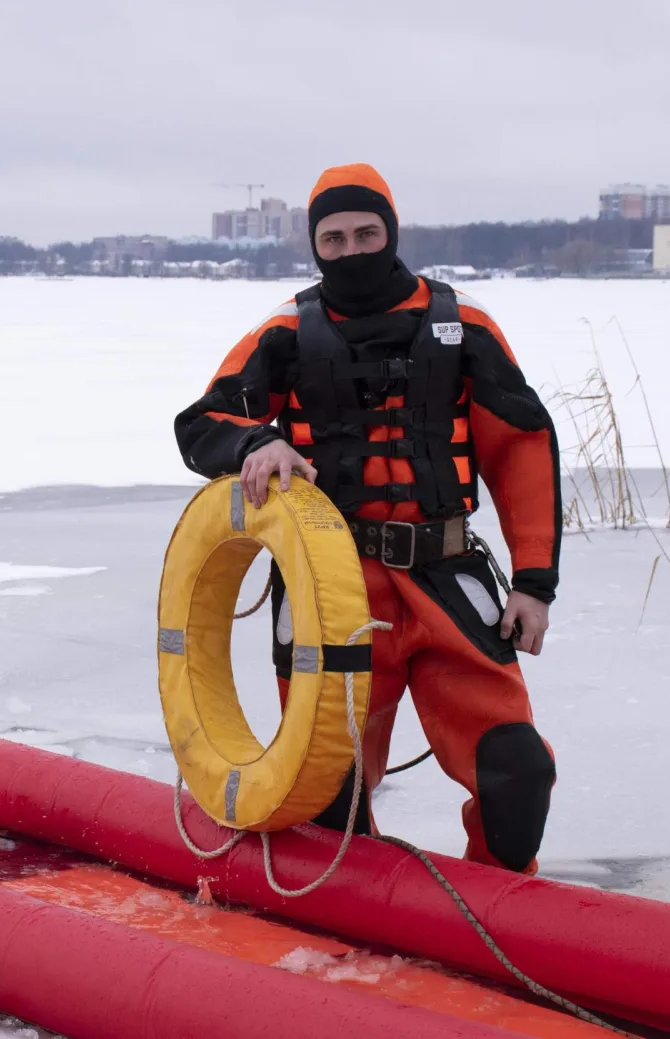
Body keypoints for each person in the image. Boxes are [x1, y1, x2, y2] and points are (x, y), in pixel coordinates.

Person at [174, 163, 561, 873]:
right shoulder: (286, 332)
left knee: (518, 771)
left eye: (365, 232)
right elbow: (203, 423)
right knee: (330, 796)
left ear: (391, 231)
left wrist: (534, 580)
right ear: (314, 245)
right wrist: (257, 442)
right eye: (334, 237)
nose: (351, 249)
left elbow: (522, 446)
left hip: (447, 577)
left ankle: (497, 918)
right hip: (333, 589)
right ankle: (348, 932)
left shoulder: (462, 323)